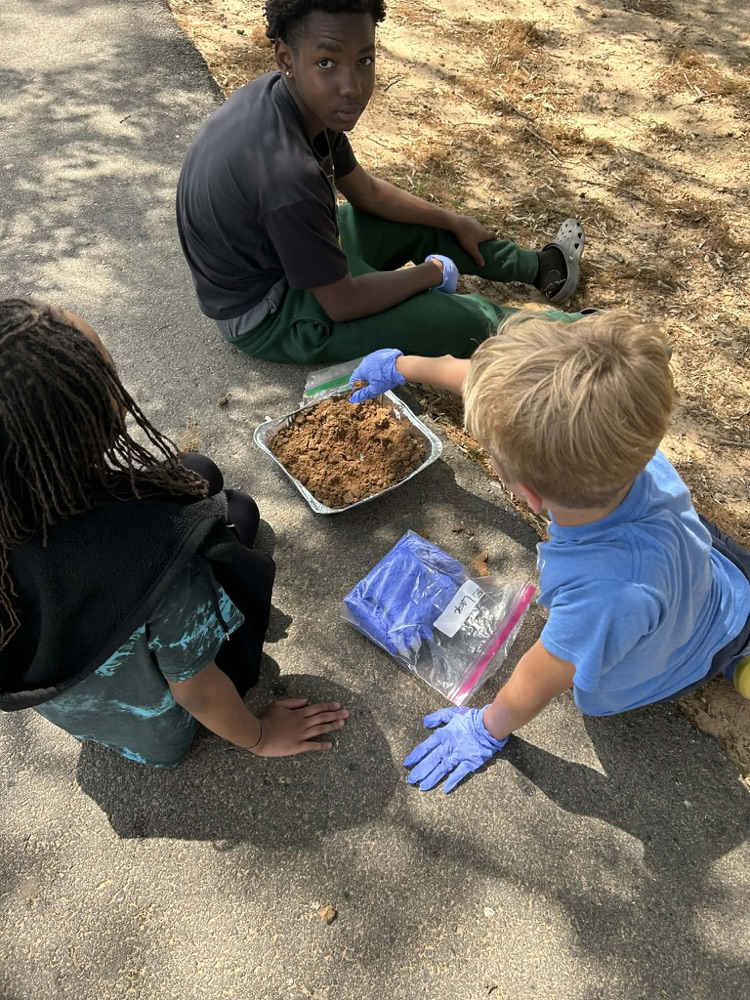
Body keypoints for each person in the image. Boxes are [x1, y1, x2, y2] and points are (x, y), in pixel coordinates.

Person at [347, 313, 750, 793]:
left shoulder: (600, 594)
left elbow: (540, 676)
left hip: (677, 661)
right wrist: (403, 366)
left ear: (529, 496)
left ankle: (733, 661)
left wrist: (487, 726)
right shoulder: (625, 446)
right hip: (724, 586)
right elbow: (495, 389)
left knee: (712, 657)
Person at [0, 298, 348, 767]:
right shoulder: (151, 559)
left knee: (197, 472)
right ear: (84, 424)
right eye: (108, 376)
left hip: (71, 681)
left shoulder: (18, 495)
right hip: (160, 731)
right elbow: (197, 692)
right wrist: (261, 737)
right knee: (239, 512)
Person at [175, 0, 586, 365]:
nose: (352, 87)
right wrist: (430, 274)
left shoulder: (297, 100)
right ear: (286, 57)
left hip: (290, 257)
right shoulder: (288, 175)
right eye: (327, 63)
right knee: (462, 319)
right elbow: (342, 302)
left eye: (364, 60)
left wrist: (451, 220)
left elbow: (367, 193)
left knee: (423, 222)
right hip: (275, 314)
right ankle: (581, 338)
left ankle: (542, 269)